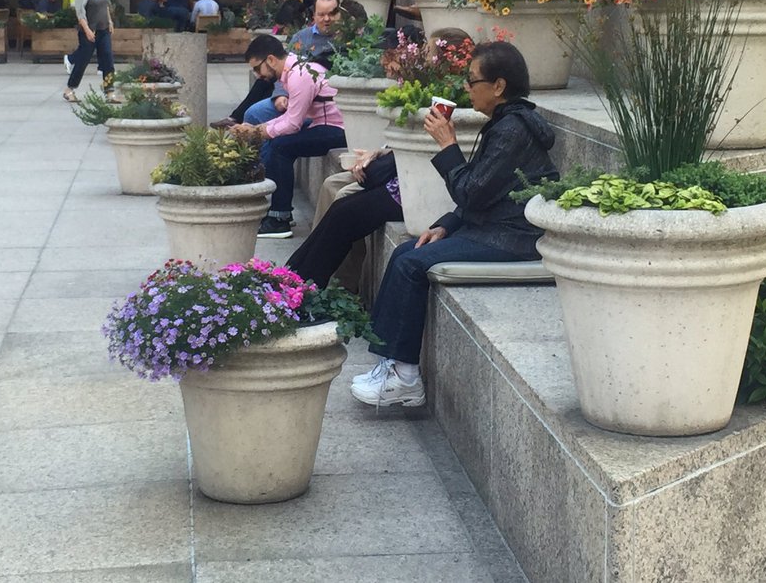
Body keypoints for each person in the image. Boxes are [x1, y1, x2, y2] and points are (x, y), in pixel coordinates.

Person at [350, 41, 557, 408]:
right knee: (406, 251)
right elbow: (482, 189)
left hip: (512, 237)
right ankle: (393, 364)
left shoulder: (512, 130)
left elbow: (471, 192)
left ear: (498, 86)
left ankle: (406, 377)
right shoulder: (505, 124)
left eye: (472, 80)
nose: (466, 88)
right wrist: (446, 224)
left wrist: (447, 145)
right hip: (494, 225)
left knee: (411, 263)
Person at [233, 34, 347, 239]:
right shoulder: (297, 69)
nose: (258, 75)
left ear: (270, 59)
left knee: (280, 147)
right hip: (325, 124)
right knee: (278, 142)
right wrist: (258, 129)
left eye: (257, 68)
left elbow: (292, 124)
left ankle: (279, 219)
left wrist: (257, 132)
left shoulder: (299, 75)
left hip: (337, 130)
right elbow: (290, 118)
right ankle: (276, 210)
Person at [213, 0, 342, 128]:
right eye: (321, 15)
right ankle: (238, 124)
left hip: (322, 100)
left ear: (340, 14)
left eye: (331, 14)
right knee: (256, 105)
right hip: (292, 91)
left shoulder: (348, 39)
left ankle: (238, 121)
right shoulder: (302, 37)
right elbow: (286, 66)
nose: (327, 19)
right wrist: (280, 95)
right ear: (314, 15)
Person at [287, 147, 403, 295]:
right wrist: (379, 151)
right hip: (400, 177)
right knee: (340, 208)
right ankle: (292, 277)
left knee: (345, 213)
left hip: (410, 187)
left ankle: (303, 289)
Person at [62, 0, 115, 102]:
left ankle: (110, 91)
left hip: (103, 29)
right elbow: (80, 12)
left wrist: (109, 21)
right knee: (82, 61)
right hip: (89, 31)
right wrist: (87, 30)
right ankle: (69, 89)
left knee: (108, 59)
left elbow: (105, 4)